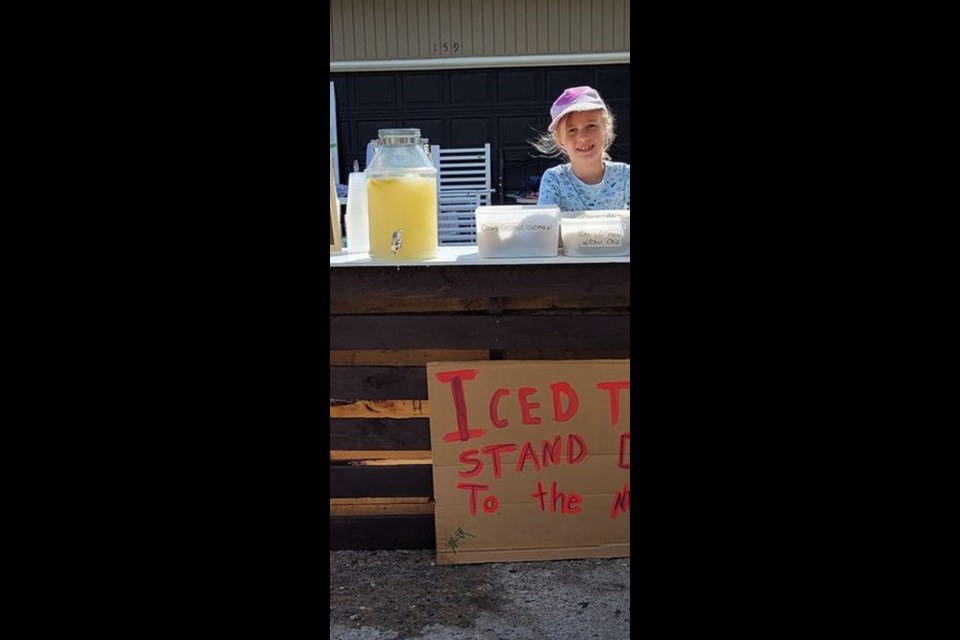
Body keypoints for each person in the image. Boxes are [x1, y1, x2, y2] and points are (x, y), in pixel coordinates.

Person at [532, 86, 629, 211]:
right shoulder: (554, 180)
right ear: (559, 140)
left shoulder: (625, 176)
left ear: (606, 129)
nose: (582, 137)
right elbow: (546, 226)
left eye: (591, 126)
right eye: (572, 130)